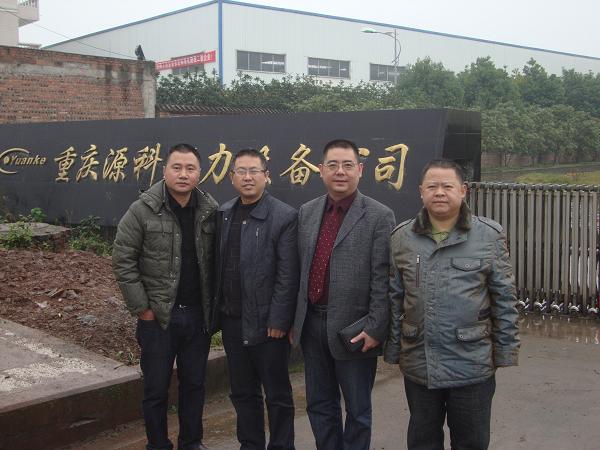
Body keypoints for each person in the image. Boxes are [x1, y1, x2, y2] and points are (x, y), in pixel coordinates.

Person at [384, 158, 520, 450]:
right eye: (432, 186)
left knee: (472, 442)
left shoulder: (488, 235)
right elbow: (395, 298)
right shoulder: (402, 237)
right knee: (422, 441)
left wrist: (505, 350)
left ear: (463, 190)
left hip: (472, 362)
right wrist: (394, 349)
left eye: (447, 186)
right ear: (421, 191)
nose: (439, 192)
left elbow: (504, 298)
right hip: (420, 362)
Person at [290, 138, 395, 450]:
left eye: (347, 165)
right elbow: (299, 269)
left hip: (355, 330)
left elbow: (384, 277)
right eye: (333, 165)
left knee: (358, 410)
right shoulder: (307, 212)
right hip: (312, 325)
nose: (340, 171)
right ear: (320, 169)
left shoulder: (379, 215)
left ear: (360, 170)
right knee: (319, 404)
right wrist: (295, 320)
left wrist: (376, 327)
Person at [112, 143, 217, 450]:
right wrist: (143, 309)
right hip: (158, 318)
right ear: (164, 170)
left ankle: (191, 442)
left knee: (194, 385)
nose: (183, 174)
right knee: (156, 389)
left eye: (190, 168)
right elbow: (123, 260)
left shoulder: (210, 210)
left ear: (199, 173)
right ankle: (157, 444)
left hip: (197, 317)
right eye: (177, 167)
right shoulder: (142, 210)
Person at [214, 148, 299, 450]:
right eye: (241, 171)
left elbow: (288, 275)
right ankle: (250, 444)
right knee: (242, 392)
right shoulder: (224, 213)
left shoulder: (284, 216)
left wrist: (279, 319)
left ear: (267, 176)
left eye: (254, 171)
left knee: (277, 394)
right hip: (233, 321)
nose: (247, 177)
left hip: (268, 325)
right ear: (231, 177)